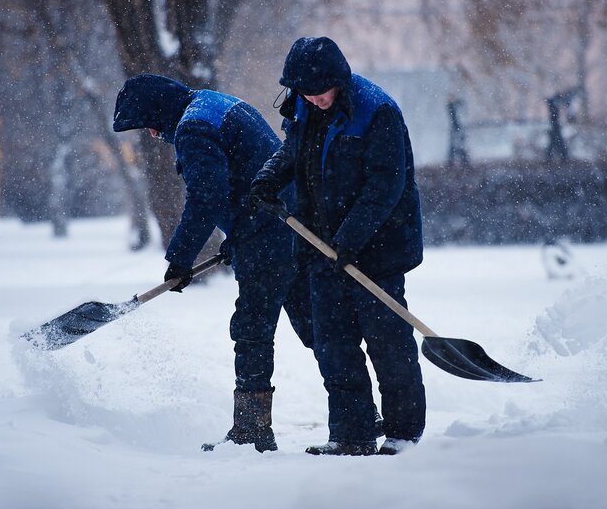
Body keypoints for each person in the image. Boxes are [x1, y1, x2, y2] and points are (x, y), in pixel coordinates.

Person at [113, 74, 312, 453]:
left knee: (252, 329)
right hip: (290, 224)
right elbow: (247, 175)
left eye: (151, 125)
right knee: (318, 325)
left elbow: (207, 196)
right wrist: (235, 239)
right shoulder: (213, 103)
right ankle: (359, 414)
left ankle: (252, 431)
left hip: (269, 234)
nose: (154, 134)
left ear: (159, 110)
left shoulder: (193, 127)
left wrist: (179, 260)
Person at [249, 37, 426, 456]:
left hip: (377, 249)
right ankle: (352, 434)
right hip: (319, 247)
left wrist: (349, 240)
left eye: (321, 90)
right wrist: (268, 178)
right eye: (306, 91)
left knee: (388, 342)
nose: (315, 98)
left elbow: (385, 186)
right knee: (333, 344)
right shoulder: (303, 106)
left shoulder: (375, 112)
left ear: (339, 81)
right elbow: (292, 152)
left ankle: (403, 434)